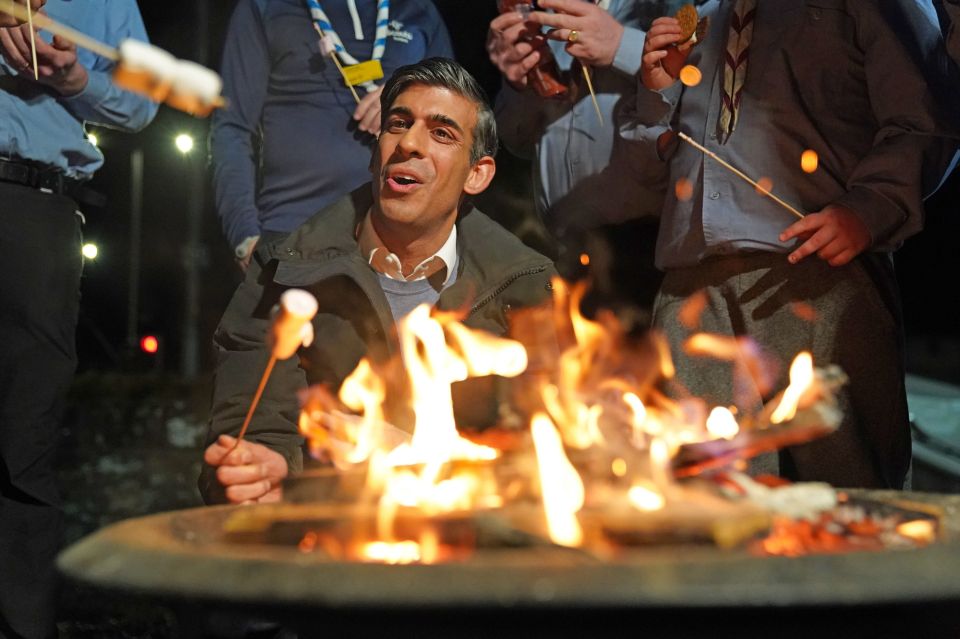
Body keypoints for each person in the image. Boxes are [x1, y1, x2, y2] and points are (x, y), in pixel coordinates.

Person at [621, 0, 955, 488]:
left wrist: (870, 208)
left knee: (842, 489)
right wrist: (659, 90)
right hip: (691, 287)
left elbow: (927, 119)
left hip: (817, 273)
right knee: (699, 490)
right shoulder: (692, 7)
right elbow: (650, 165)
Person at [200, 58, 556, 505]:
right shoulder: (283, 271)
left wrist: (398, 449)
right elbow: (252, 417)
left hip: (472, 552)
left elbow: (553, 448)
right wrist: (264, 470)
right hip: (327, 543)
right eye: (397, 124)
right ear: (375, 152)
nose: (409, 143)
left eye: (441, 133)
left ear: (477, 174)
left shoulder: (525, 287)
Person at [0, 1, 158, 636]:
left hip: (37, 209)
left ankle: (22, 628)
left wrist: (75, 80)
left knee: (25, 438)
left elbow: (144, 99)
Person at [211, 0, 454, 272]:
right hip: (293, 234)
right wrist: (243, 233)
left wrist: (412, 97)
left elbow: (456, 122)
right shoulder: (265, 6)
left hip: (402, 243)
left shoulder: (416, 8)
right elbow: (233, 125)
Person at [486, 0, 686, 315]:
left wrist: (621, 44)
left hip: (652, 255)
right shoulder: (540, 23)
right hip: (564, 253)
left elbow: (708, 94)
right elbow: (516, 140)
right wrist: (519, 85)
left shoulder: (661, 7)